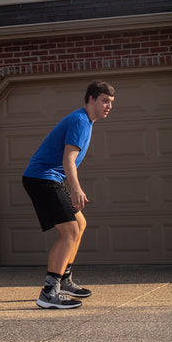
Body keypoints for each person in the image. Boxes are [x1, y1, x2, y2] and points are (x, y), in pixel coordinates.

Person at [22, 81, 115, 309]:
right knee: (70, 231)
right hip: (42, 178)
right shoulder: (80, 120)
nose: (108, 106)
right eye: (104, 100)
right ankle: (49, 293)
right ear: (91, 99)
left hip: (50, 178)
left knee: (79, 224)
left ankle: (64, 280)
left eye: (111, 102)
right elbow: (68, 159)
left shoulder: (86, 121)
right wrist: (76, 189)